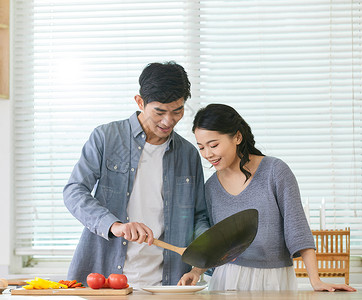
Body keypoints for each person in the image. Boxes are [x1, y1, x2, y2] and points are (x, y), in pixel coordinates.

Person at [178, 103, 356, 292]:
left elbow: (297, 229)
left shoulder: (275, 172)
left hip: (274, 278)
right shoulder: (211, 187)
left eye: (213, 145)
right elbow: (217, 245)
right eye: (201, 148)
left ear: (237, 137)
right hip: (226, 280)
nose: (208, 154)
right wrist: (197, 272)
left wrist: (316, 280)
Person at [63, 61, 210, 288]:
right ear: (140, 102)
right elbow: (74, 191)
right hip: (107, 280)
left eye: (177, 111)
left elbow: (199, 216)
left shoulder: (188, 154)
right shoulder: (106, 137)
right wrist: (115, 225)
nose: (168, 121)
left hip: (168, 284)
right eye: (159, 111)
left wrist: (203, 258)